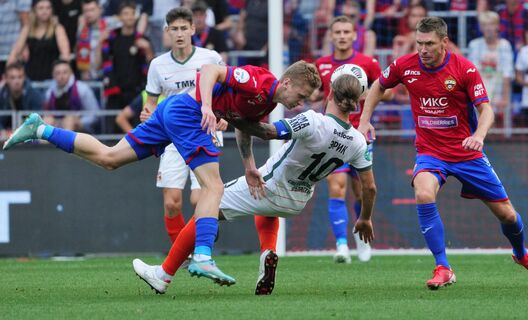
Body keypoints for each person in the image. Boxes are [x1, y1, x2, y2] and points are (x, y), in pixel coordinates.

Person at [3, 60, 321, 285]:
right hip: (190, 113)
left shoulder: (265, 104)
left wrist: (250, 167)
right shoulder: (260, 81)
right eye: (302, 95)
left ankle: (41, 129)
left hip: (174, 111)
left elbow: (241, 127)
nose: (301, 102)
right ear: (289, 82)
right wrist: (208, 106)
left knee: (110, 157)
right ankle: (203, 256)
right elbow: (210, 70)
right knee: (214, 189)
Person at [132, 74, 377, 295]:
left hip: (270, 185)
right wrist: (364, 218)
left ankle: (163, 275)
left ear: (331, 93)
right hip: (298, 200)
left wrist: (232, 116)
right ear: (358, 101)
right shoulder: (358, 142)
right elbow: (369, 188)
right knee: (267, 208)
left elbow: (269, 132)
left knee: (206, 208)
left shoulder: (313, 121)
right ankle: (268, 251)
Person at [358, 16, 528, 289]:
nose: (423, 49)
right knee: (423, 192)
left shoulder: (465, 69)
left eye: (429, 44)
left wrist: (478, 136)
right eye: (419, 43)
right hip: (430, 151)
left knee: (507, 215)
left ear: (444, 42)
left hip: (466, 153)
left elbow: (487, 110)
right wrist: (365, 120)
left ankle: (521, 255)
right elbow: (378, 85)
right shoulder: (405, 65)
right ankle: (443, 267)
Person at [140, 7, 224, 246]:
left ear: (193, 29)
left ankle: (200, 243)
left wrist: (224, 115)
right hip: (173, 136)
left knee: (199, 199)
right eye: (174, 29)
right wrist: (147, 114)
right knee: (171, 202)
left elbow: (226, 91)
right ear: (166, 31)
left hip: (204, 131)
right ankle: (182, 253)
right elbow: (152, 103)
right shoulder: (157, 65)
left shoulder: (210, 58)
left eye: (183, 28)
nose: (179, 33)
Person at [314, 15, 382, 263]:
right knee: (336, 187)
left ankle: (360, 236)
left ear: (355, 35)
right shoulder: (321, 64)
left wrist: (366, 106)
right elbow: (316, 93)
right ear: (331, 36)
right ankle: (341, 246)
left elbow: (387, 90)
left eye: (346, 32)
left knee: (362, 191)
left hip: (361, 135)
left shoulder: (368, 63)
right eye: (338, 32)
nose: (342, 36)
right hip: (332, 136)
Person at [101, 0, 153, 133]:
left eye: (132, 13)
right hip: (115, 92)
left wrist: (147, 50)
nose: (129, 17)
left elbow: (153, 67)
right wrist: (101, 41)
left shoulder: (143, 39)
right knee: (111, 133)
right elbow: (99, 64)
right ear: (119, 17)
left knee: (140, 129)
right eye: (126, 13)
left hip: (137, 92)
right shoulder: (111, 38)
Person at [467, 11, 514, 123]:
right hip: (480, 87)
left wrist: (505, 98)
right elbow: (473, 72)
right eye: (485, 25)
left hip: (499, 87)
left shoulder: (505, 45)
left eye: (491, 24)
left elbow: (507, 73)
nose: (488, 28)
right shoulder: (474, 44)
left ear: (497, 26)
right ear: (481, 28)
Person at [7, 0, 71, 81]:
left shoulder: (58, 29)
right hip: (31, 78)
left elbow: (65, 54)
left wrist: (63, 75)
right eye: (41, 8)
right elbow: (15, 52)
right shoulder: (27, 29)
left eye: (48, 8)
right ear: (34, 10)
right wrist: (7, 73)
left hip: (52, 79)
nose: (45, 11)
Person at [44, 59, 101, 133]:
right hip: (58, 125)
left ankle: (64, 143)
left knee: (69, 121)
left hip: (81, 129)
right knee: (47, 121)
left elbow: (95, 114)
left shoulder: (82, 89)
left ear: (71, 73)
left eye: (65, 72)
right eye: (58, 73)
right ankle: (43, 145)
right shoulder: (50, 92)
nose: (61, 76)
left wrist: (80, 122)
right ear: (53, 75)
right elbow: (48, 113)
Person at [0, 62, 43, 133]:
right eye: (12, 77)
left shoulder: (34, 94)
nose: (17, 81)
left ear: (24, 77)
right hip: (5, 135)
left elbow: (38, 119)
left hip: (29, 135)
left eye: (20, 77)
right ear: (6, 78)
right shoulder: (1, 95)